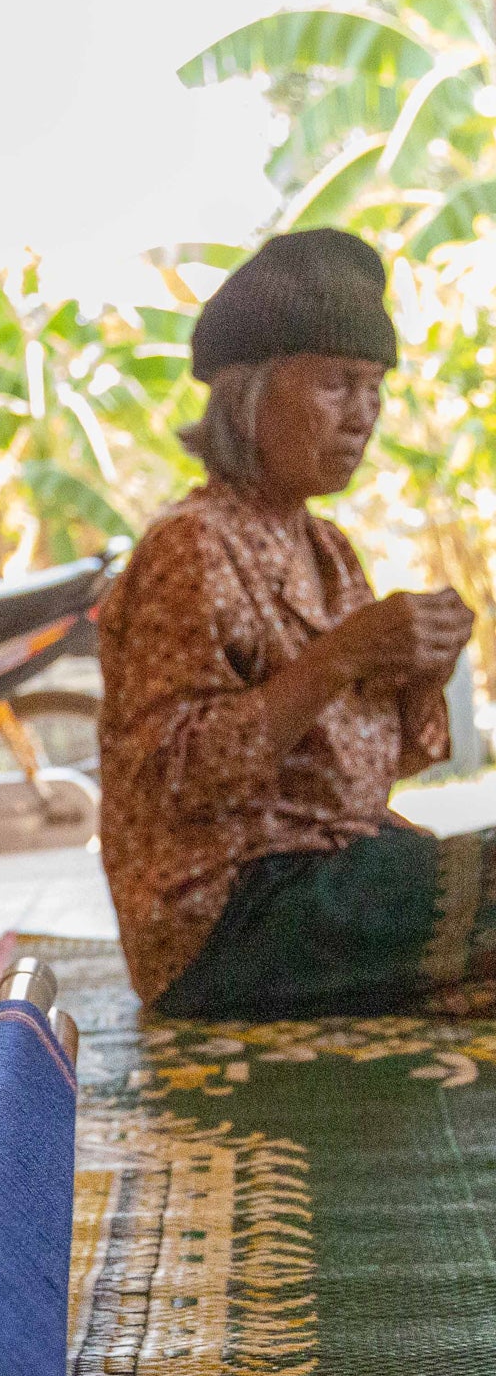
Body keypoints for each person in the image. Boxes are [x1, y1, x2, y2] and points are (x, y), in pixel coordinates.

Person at [97, 227, 480, 1018]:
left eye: (374, 389)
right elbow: (172, 781)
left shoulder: (327, 550)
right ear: (252, 392)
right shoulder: (191, 546)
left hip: (326, 871)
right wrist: (339, 658)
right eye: (339, 385)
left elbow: (370, 770)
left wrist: (420, 673)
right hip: (223, 913)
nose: (363, 416)